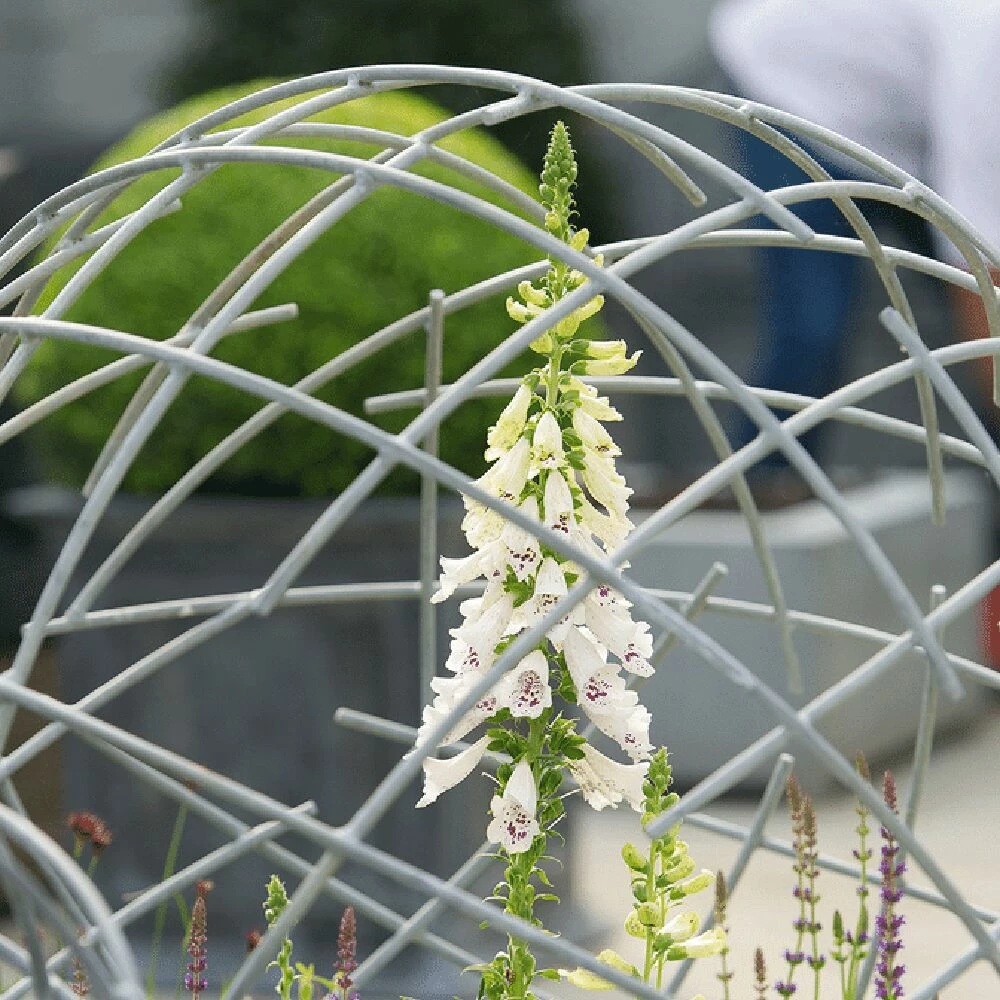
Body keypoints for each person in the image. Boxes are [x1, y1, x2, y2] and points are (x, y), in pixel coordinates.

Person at [708, 0, 1000, 462]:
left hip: (897, 121)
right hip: (790, 86)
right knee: (813, 327)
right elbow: (977, 264)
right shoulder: (987, 40)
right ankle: (760, 492)